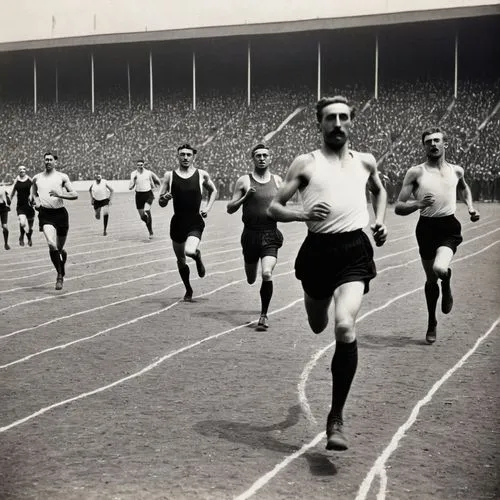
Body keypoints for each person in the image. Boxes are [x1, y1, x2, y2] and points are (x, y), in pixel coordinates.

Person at [268, 96, 388, 452]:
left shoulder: (366, 161)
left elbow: (380, 191)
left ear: (352, 121)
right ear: (319, 124)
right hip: (318, 253)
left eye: (343, 117)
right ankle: (314, 301)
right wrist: (304, 215)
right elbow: (275, 206)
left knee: (344, 326)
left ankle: (336, 417)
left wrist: (379, 221)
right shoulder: (306, 164)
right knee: (318, 323)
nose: (337, 123)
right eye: (330, 118)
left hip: (354, 250)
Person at [395, 127, 480, 344]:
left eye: (436, 141)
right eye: (428, 142)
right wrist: (418, 204)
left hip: (448, 227)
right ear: (424, 146)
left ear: (445, 144)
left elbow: (464, 188)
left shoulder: (456, 170)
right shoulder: (416, 172)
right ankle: (432, 321)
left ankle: (447, 280)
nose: (433, 144)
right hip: (426, 228)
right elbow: (399, 207)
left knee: (440, 268)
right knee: (431, 279)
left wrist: (470, 207)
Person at [227, 143, 283, 330]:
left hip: (270, 234)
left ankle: (263, 315)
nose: (261, 158)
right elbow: (230, 208)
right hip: (250, 235)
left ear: (270, 158)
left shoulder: (277, 181)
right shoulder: (244, 181)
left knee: (266, 273)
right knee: (251, 279)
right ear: (253, 158)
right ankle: (251, 270)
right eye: (258, 155)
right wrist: (245, 198)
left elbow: (282, 206)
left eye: (264, 155)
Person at [158, 144, 217, 301]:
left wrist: (208, 207)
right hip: (177, 223)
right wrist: (163, 198)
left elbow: (214, 190)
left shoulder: (201, 174)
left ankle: (197, 256)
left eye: (188, 155)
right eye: (182, 154)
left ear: (193, 157)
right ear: (177, 156)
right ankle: (188, 289)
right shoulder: (169, 176)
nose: (185, 157)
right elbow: (161, 201)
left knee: (189, 251)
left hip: (194, 222)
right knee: (180, 260)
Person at [30, 153, 78, 290]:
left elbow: (75, 194)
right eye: (46, 159)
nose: (48, 161)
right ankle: (60, 275)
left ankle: (61, 260)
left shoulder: (62, 177)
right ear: (43, 161)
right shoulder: (37, 178)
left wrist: (60, 194)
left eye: (51, 159)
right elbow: (33, 193)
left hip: (60, 214)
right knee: (51, 244)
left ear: (55, 162)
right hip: (45, 215)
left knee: (60, 248)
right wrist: (36, 202)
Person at [129, 159, 161, 239]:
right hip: (139, 195)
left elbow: (156, 181)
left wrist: (157, 188)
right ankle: (148, 222)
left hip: (148, 194)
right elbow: (130, 187)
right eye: (138, 165)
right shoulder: (133, 174)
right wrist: (134, 180)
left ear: (144, 165)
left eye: (141, 165)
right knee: (142, 216)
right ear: (136, 166)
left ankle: (150, 232)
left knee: (147, 210)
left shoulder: (148, 173)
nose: (140, 166)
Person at [10, 165, 35, 246]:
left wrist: (32, 198)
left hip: (29, 206)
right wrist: (9, 202)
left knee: (30, 227)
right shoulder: (16, 181)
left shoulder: (29, 180)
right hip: (20, 206)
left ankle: (29, 238)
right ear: (18, 171)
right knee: (23, 223)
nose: (22, 171)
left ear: (25, 170)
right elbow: (12, 192)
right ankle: (22, 236)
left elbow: (34, 191)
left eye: (23, 169)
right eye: (20, 169)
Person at [0, 183, 11, 250]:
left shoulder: (3, 188)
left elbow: (8, 199)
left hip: (3, 208)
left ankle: (6, 243)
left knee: (5, 226)